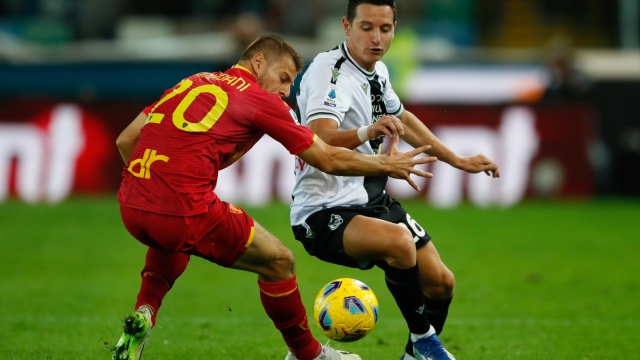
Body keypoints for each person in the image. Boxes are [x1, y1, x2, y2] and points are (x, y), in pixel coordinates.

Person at [111, 34, 435, 360]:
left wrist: (155, 188)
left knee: (172, 238)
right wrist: (384, 163)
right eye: (283, 79)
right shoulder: (259, 100)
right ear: (258, 62)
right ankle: (309, 355)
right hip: (182, 209)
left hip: (131, 205)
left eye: (291, 86)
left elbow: (126, 140)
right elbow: (326, 158)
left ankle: (144, 313)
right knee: (280, 262)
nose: (285, 91)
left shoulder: (192, 82)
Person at [290, 1, 501, 360]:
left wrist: (458, 160)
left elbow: (404, 117)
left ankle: (412, 354)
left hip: (370, 198)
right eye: (366, 27)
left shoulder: (378, 71)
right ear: (346, 26)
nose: (376, 38)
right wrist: (369, 131)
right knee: (401, 244)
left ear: (394, 28)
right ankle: (424, 341)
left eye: (384, 29)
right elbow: (318, 138)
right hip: (322, 210)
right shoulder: (331, 73)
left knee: (440, 283)